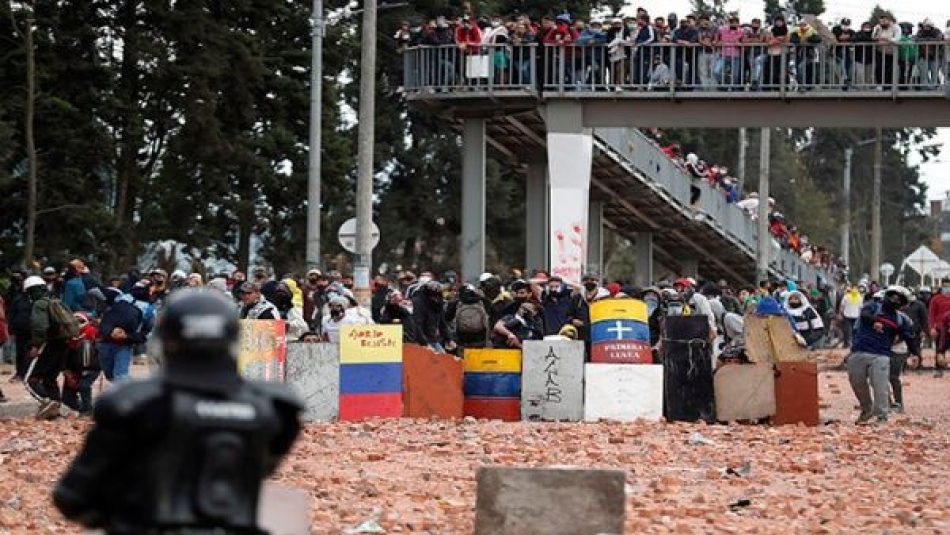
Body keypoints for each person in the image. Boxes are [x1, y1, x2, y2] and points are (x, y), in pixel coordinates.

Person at [53, 290, 302, 535]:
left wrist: (121, 516)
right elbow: (264, 467)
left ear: (167, 341)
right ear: (233, 340)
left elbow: (74, 496)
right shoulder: (275, 406)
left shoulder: (133, 405)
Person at [847, 286, 920, 424]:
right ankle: (866, 409)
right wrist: (875, 321)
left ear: (903, 304)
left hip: (881, 355)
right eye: (893, 296)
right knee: (857, 383)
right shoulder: (872, 306)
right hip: (859, 351)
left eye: (899, 299)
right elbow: (864, 315)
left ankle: (881, 416)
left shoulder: (900, 319)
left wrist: (915, 354)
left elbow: (909, 337)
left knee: (880, 386)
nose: (895, 300)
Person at [24, 275, 72, 416]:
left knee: (30, 379)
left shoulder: (39, 304)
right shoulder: (56, 301)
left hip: (48, 344)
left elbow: (40, 327)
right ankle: (55, 410)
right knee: (50, 379)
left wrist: (35, 345)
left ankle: (47, 403)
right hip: (62, 344)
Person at [98, 283, 153, 382]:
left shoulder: (148, 310)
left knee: (120, 376)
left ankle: (126, 394)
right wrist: (111, 331)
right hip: (106, 342)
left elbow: (145, 334)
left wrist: (126, 336)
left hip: (124, 346)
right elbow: (106, 319)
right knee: (110, 374)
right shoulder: (119, 299)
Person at [62, 311, 100, 414]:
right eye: (74, 322)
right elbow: (64, 356)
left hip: (90, 368)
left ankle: (87, 410)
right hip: (72, 369)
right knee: (66, 398)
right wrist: (66, 371)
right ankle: (82, 409)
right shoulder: (67, 337)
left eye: (80, 321)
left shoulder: (93, 334)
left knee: (84, 386)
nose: (77, 324)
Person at [927, 277, 950, 376]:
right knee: (940, 349)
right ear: (942, 287)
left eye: (948, 286)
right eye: (945, 286)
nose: (947, 288)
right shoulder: (935, 299)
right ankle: (939, 369)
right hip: (940, 329)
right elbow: (931, 314)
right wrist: (932, 327)